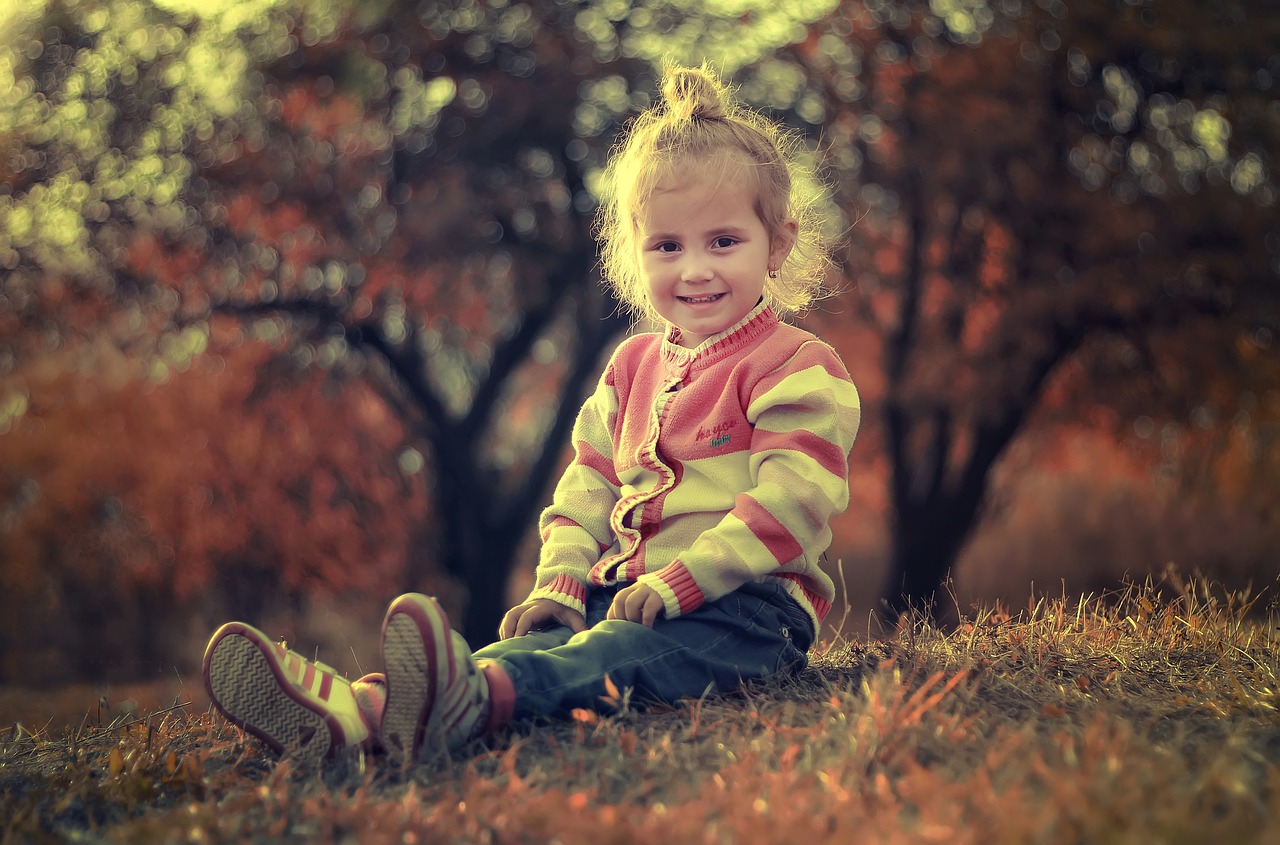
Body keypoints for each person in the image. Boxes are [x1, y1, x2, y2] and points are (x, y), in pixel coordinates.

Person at [201, 63, 861, 769]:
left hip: (746, 613)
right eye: (668, 246)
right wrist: (562, 583)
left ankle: (471, 704)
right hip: (626, 598)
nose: (694, 269)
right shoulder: (631, 367)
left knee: (610, 656)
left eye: (722, 242)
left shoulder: (795, 366)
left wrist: (686, 577)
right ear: (636, 254)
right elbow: (585, 489)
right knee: (532, 646)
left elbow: (793, 500)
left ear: (778, 243)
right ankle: (355, 713)